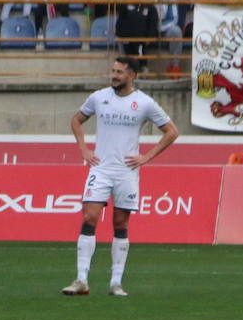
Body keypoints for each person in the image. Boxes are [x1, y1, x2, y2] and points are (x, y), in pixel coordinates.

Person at [63, 57, 179, 297]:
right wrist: (83, 148)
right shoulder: (99, 97)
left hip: (127, 171)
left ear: (132, 76)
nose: (114, 75)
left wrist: (147, 157)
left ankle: (116, 283)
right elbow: (76, 120)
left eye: (119, 72)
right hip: (101, 168)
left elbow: (171, 131)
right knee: (89, 216)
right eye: (113, 71)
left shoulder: (144, 103)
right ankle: (81, 279)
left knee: (120, 223)